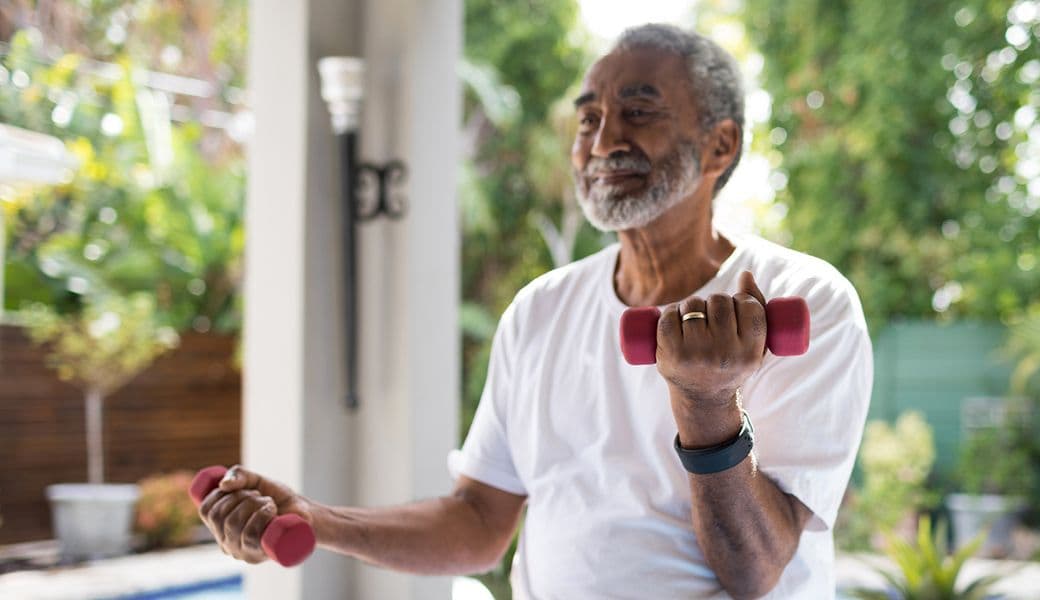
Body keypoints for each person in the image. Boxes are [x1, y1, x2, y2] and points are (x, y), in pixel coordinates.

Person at [200, 23, 871, 599]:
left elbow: (756, 571)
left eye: (639, 112)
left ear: (720, 145)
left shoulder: (805, 300)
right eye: (588, 119)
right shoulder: (540, 310)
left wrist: (708, 406)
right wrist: (317, 520)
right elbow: (478, 522)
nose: (602, 142)